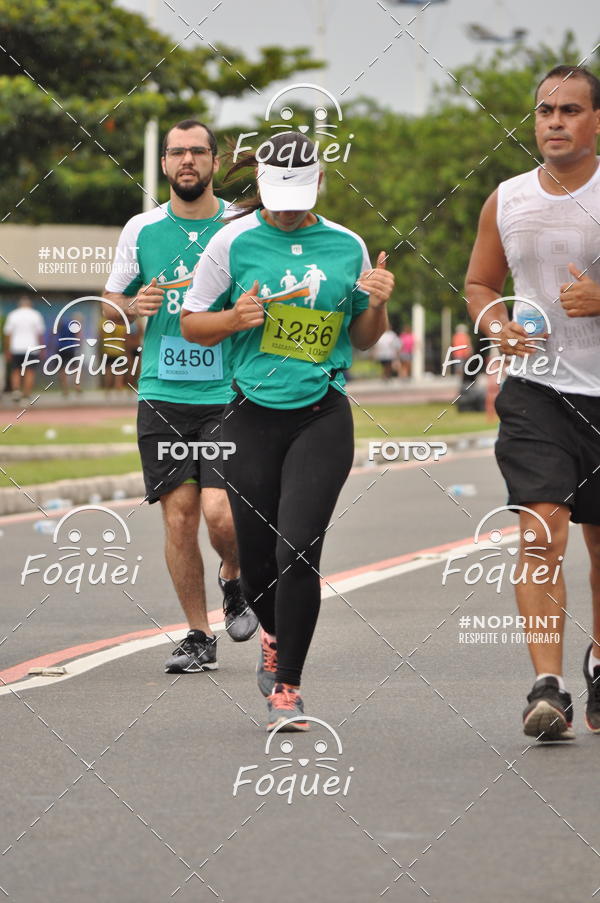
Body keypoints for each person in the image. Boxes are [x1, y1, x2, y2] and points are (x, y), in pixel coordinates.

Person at [181, 131, 394, 731]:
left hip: (322, 414)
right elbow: (192, 323)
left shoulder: (346, 244)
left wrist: (376, 303)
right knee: (258, 559)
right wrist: (233, 318)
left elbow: (362, 337)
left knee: (298, 547)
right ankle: (271, 633)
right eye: (277, 194)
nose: (288, 206)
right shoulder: (232, 241)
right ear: (260, 184)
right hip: (250, 416)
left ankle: (288, 686)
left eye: (299, 194)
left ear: (320, 182)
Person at [465, 65, 600, 741]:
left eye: (570, 109)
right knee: (540, 531)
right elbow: (479, 283)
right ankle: (548, 687)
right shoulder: (508, 199)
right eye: (545, 109)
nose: (554, 120)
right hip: (536, 392)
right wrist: (494, 324)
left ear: (596, 120)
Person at [103, 119, 258, 674]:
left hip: (228, 392)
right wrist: (130, 310)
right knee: (179, 517)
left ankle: (234, 578)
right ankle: (198, 635)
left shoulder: (242, 225)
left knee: (221, 514)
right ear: (164, 164)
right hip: (163, 394)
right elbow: (109, 309)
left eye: (198, 151)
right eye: (177, 153)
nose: (187, 161)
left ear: (215, 161)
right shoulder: (140, 229)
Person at [3, 296, 45, 402]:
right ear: (30, 305)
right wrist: (42, 348)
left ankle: (16, 391)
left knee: (15, 370)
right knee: (29, 371)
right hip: (32, 348)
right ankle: (26, 394)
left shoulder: (13, 315)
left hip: (16, 348)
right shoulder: (35, 315)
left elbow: (8, 334)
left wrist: (7, 349)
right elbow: (39, 334)